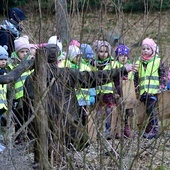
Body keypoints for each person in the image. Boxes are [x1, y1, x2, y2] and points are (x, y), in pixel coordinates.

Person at [23, 43, 137, 156]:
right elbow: (94, 77)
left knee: (45, 151)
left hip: (40, 127)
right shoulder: (65, 74)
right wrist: (121, 70)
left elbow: (27, 106)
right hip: (68, 126)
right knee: (79, 143)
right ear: (56, 60)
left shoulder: (30, 78)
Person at [134, 38, 166, 139]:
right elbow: (136, 76)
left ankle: (154, 127)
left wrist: (162, 86)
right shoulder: (139, 62)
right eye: (143, 49)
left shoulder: (157, 61)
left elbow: (162, 75)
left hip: (154, 91)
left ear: (152, 50)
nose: (145, 51)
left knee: (151, 109)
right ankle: (150, 126)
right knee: (147, 110)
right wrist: (136, 88)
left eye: (148, 48)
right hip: (143, 91)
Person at [7, 35, 33, 144]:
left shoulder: (32, 63)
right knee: (18, 118)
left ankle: (30, 137)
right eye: (22, 51)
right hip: (17, 96)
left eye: (27, 51)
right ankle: (19, 138)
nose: (25, 54)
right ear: (17, 52)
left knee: (29, 116)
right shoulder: (12, 64)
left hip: (29, 96)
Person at [91, 40, 118, 139]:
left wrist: (118, 91)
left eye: (105, 52)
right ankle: (96, 130)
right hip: (97, 91)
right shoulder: (93, 64)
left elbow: (116, 78)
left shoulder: (112, 63)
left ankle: (108, 130)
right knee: (97, 112)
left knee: (109, 111)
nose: (103, 54)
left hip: (109, 91)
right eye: (101, 51)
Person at [114, 44, 134, 138]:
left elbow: (133, 80)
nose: (123, 58)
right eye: (121, 55)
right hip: (117, 93)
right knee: (118, 111)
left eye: (125, 56)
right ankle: (117, 129)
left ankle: (126, 127)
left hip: (128, 93)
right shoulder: (114, 66)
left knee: (128, 111)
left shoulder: (130, 67)